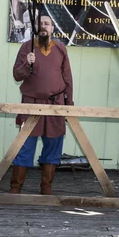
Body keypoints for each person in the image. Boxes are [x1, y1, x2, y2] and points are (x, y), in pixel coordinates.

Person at [10, 14, 74, 195]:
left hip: (56, 105)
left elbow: (67, 78)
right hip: (31, 104)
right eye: (41, 24)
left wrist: (69, 104)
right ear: (36, 28)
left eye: (47, 23)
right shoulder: (26, 48)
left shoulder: (61, 49)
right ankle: (16, 188)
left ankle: (46, 188)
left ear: (53, 28)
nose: (44, 26)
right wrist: (26, 63)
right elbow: (17, 75)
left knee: (53, 145)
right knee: (25, 146)